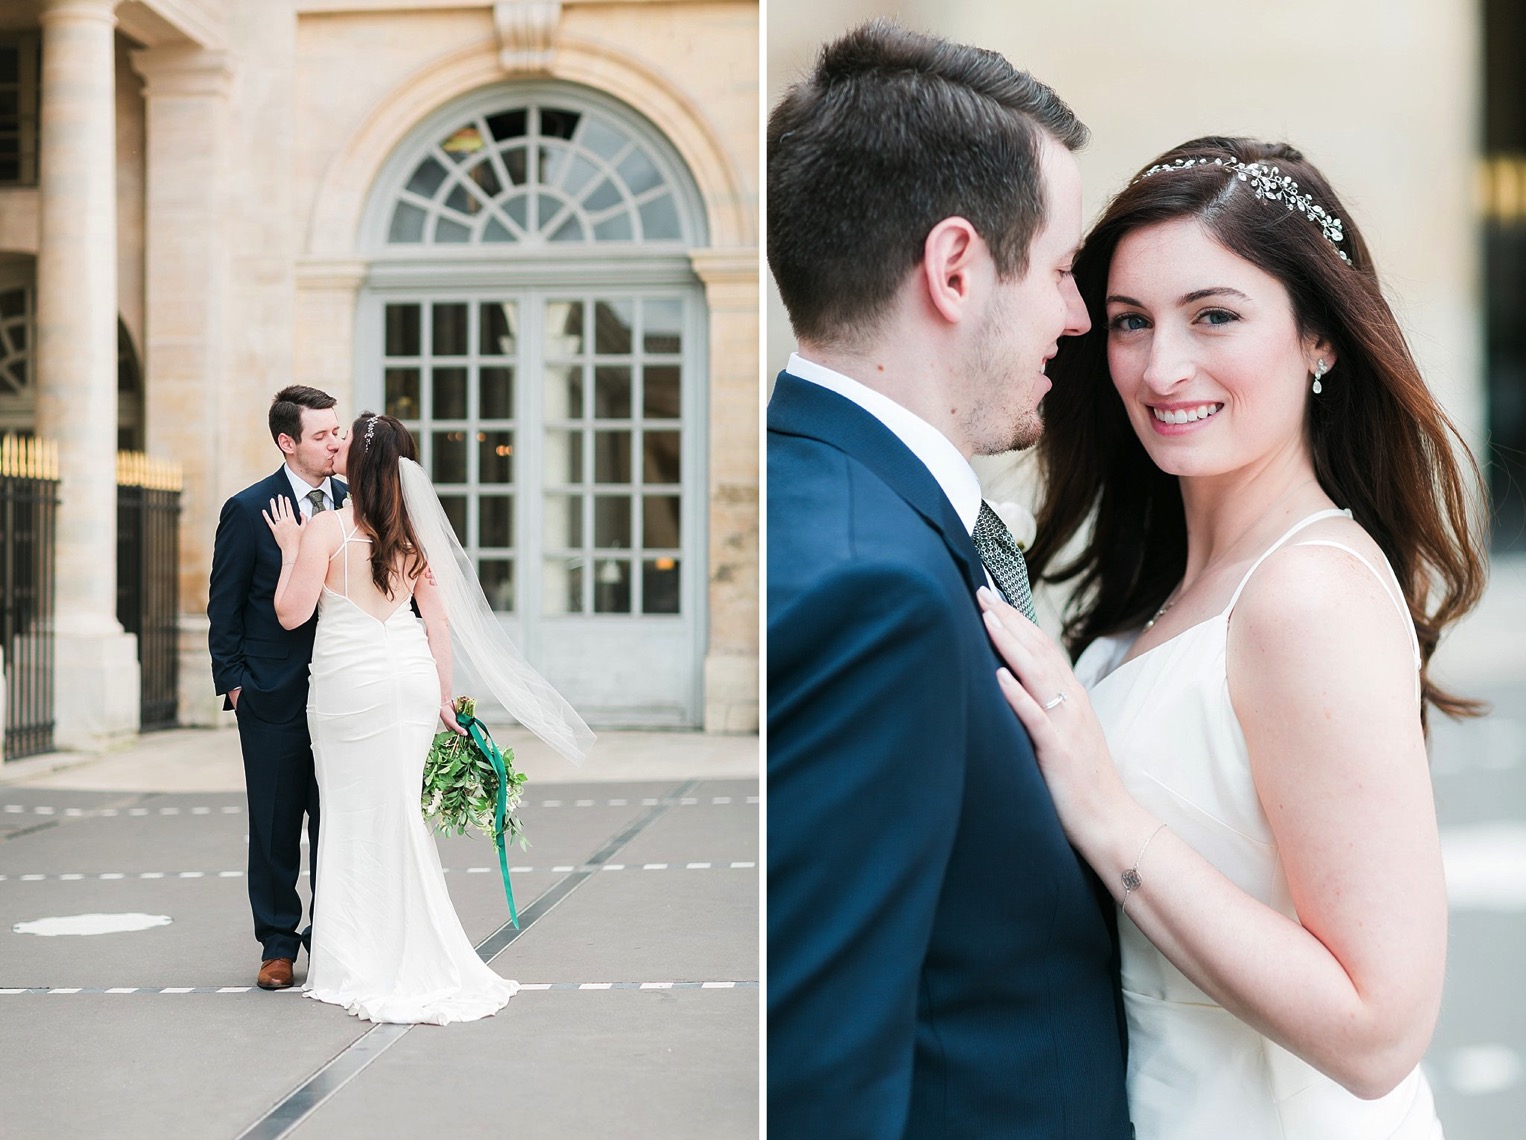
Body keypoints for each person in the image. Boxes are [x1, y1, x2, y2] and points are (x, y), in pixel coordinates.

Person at [980, 137, 1487, 1138]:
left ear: (1319, 339)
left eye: (1213, 316)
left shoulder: (1305, 598)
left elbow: (1376, 1030)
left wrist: (1109, 816)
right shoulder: (1158, 582)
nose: (1161, 367)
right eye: (1129, 323)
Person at [766, 20, 1132, 1138]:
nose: (1078, 318)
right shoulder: (866, 586)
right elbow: (824, 1070)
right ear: (956, 267)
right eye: (1064, 271)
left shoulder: (863, 511)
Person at [263, 412, 594, 1025]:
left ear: (356, 467)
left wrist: (289, 553)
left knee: (352, 817)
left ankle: (357, 957)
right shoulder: (414, 535)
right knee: (399, 816)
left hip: (348, 687)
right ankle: (416, 946)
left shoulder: (321, 529)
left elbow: (290, 614)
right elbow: (437, 622)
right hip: (410, 680)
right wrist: (444, 697)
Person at [208, 385, 345, 991]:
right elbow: (224, 606)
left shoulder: (356, 502)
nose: (335, 442)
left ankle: (333, 935)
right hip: (271, 696)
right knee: (274, 825)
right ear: (287, 443)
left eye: (337, 431)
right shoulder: (247, 508)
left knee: (339, 819)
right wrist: (236, 684)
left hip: (346, 692)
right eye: (321, 435)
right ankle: (277, 945)